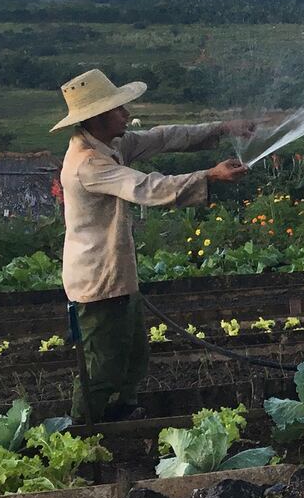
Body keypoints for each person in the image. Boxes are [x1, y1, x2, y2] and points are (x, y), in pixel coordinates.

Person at [51, 68, 252, 422]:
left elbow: (163, 137)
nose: (126, 114)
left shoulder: (110, 144)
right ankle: (81, 435)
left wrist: (222, 128)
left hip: (117, 276)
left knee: (133, 358)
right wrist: (208, 175)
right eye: (118, 109)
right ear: (97, 118)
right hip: (97, 283)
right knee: (103, 370)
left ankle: (122, 418)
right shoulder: (88, 163)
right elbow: (145, 188)